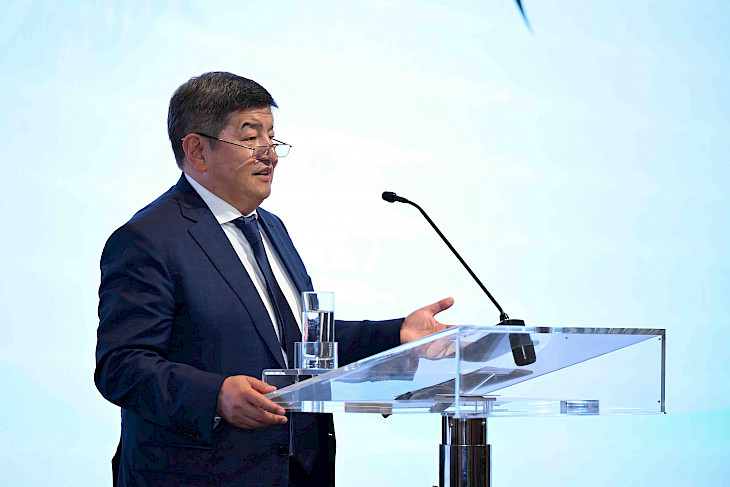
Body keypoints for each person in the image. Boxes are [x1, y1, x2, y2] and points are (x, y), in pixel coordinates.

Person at [94, 71, 453, 487]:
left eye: (272, 136)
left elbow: (296, 342)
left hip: (299, 472)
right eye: (251, 137)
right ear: (197, 150)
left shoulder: (271, 227)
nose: (270, 154)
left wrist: (397, 334)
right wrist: (214, 396)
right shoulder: (148, 239)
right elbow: (121, 366)